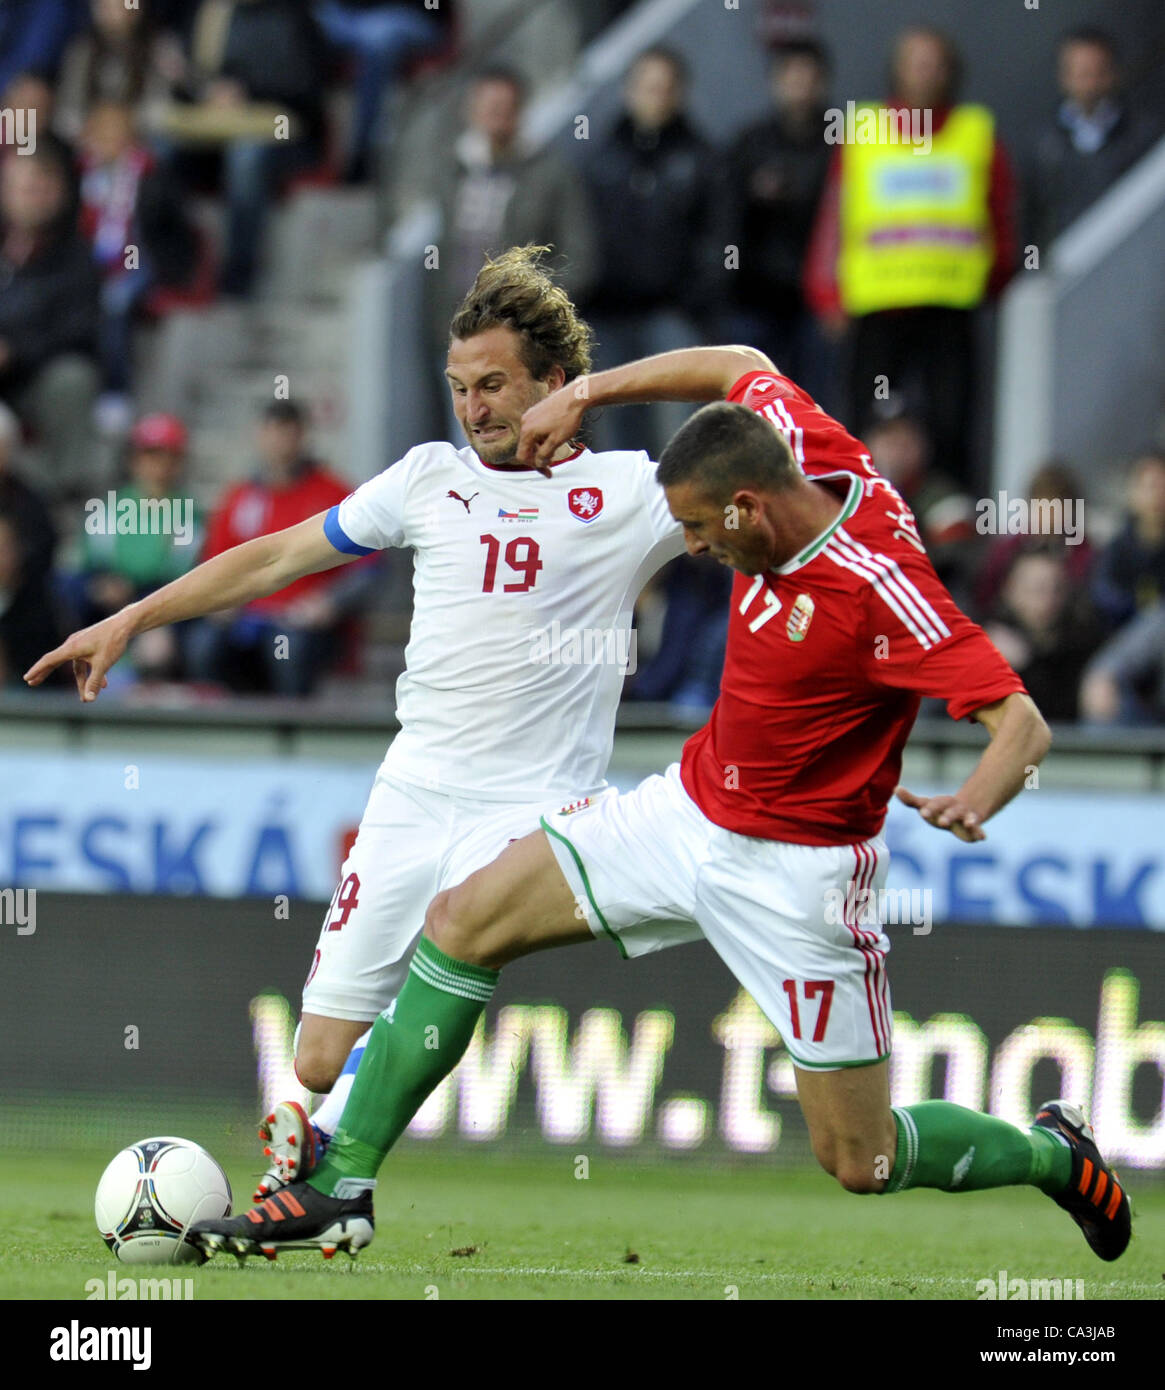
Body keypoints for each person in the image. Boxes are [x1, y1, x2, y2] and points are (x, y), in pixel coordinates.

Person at [186, 346, 1129, 1271]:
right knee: (462, 919)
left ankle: (1052, 1152)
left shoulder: (879, 591)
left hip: (798, 877)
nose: (692, 546)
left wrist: (975, 797)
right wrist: (587, 394)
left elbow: (1022, 724)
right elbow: (736, 361)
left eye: (698, 528)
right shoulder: (806, 446)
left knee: (861, 1159)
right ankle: (341, 1181)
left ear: (747, 507)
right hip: (681, 814)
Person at [24, 245, 685, 1198]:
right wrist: (133, 616)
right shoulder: (425, 478)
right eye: (460, 387)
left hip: (540, 806)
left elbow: (763, 435)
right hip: (415, 791)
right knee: (321, 1053)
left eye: (496, 385)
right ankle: (333, 1179)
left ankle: (334, 1182)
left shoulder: (631, 490)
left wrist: (609, 393)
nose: (475, 408)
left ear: (554, 382)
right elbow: (273, 559)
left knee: (459, 944)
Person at [804, 25, 1017, 488]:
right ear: (897, 69)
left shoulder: (976, 132)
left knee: (952, 421)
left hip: (951, 305)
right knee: (865, 420)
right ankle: (863, 512)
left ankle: (951, 523)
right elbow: (833, 220)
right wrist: (826, 293)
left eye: (935, 61)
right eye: (916, 60)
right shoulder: (862, 131)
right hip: (878, 306)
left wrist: (996, 280)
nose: (926, 71)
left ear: (951, 71)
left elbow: (1000, 217)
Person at [424, 67, 595, 435]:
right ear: (472, 111)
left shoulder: (550, 172)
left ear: (520, 111)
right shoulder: (453, 171)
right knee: (471, 434)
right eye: (488, 107)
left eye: (505, 107)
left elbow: (580, 258)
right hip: (459, 330)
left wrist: (531, 312)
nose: (496, 116)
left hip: (522, 338)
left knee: (528, 436)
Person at [581, 46, 716, 459]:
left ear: (680, 93)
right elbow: (578, 236)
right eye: (646, 85)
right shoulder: (598, 160)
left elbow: (717, 241)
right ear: (628, 91)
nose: (655, 95)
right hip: (606, 318)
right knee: (612, 446)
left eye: (665, 87)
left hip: (672, 317)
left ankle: (677, 523)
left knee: (679, 441)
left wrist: (693, 301)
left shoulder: (702, 159)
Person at [185, 399, 365, 696]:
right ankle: (220, 734)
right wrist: (221, 602)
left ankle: (291, 734)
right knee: (204, 643)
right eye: (272, 432)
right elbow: (214, 562)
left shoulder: (334, 494)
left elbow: (371, 569)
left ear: (302, 435)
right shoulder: (240, 496)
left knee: (288, 647)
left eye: (287, 433)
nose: (279, 442)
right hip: (247, 618)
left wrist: (329, 602)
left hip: (304, 623)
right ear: (259, 435)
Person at [718, 40, 833, 405]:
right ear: (775, 82)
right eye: (791, 77)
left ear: (822, 83)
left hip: (819, 298)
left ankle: (812, 465)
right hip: (756, 296)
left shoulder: (843, 143)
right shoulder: (749, 144)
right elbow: (727, 217)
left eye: (808, 78)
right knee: (754, 400)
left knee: (817, 401)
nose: (799, 88)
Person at [66, 411, 201, 683]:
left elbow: (180, 576)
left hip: (160, 614)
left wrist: (133, 594)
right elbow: (84, 565)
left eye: (169, 456)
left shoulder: (189, 515)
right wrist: (100, 585)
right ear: (134, 459)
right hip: (105, 609)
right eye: (151, 455)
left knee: (157, 646)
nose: (159, 465)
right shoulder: (109, 510)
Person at [0, 137, 102, 497]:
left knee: (74, 377)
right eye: (26, 187)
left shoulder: (78, 257)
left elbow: (79, 331)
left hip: (32, 379)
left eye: (43, 188)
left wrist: (14, 351)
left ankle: (65, 492)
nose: (34, 196)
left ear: (60, 192)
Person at [1026, 28, 1162, 251]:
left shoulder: (1143, 133)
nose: (1089, 85)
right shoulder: (1043, 149)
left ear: (1113, 73)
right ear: (1064, 77)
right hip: (1073, 266)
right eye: (1081, 74)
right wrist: (1036, 271)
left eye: (1097, 73)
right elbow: (1031, 219)